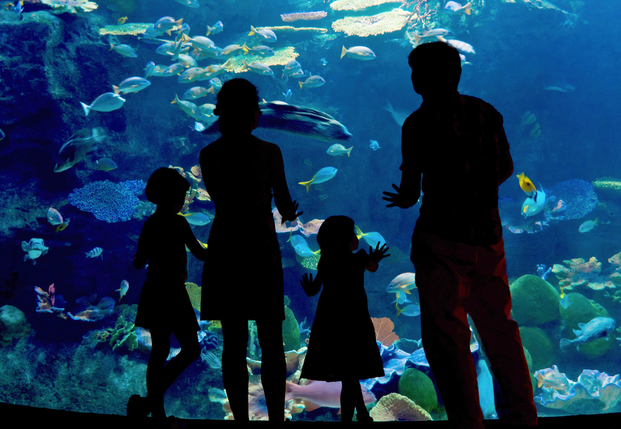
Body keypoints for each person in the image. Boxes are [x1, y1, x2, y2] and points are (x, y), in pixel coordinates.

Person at [382, 42, 538, 429]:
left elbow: (410, 191)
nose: (414, 78)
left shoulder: (417, 124)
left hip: (440, 240)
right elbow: (504, 168)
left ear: (428, 77)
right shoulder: (486, 113)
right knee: (500, 331)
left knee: (447, 339)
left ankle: (468, 424)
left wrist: (403, 201)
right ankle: (523, 418)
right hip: (488, 239)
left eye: (417, 71)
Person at [199, 78, 302, 425]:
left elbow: (220, 200)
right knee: (272, 340)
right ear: (255, 116)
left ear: (221, 116)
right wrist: (290, 213)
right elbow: (285, 205)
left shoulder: (209, 154)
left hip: (226, 246)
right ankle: (276, 421)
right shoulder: (269, 151)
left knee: (233, 340)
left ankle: (241, 422)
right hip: (261, 248)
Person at [128, 167, 208, 427]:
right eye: (183, 196)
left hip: (154, 291)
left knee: (159, 352)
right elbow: (201, 254)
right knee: (192, 349)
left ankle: (155, 412)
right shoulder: (178, 222)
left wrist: (146, 255)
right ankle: (150, 405)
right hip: (172, 292)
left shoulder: (150, 223)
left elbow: (139, 263)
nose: (184, 201)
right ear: (171, 196)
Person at [299, 215, 388, 423]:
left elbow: (314, 289)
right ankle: (350, 421)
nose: (357, 238)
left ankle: (360, 416)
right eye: (354, 234)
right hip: (355, 320)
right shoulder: (358, 258)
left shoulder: (327, 260)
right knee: (351, 372)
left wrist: (308, 287)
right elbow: (372, 268)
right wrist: (374, 259)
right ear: (346, 239)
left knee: (349, 373)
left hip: (331, 321)